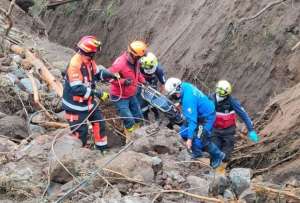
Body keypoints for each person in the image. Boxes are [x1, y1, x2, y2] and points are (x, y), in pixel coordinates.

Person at [62, 35, 117, 152]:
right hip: (75, 107)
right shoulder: (74, 65)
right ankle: (79, 156)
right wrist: (97, 93)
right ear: (90, 52)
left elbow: (97, 73)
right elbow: (77, 89)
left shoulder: (89, 61)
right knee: (80, 133)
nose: (96, 53)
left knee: (99, 123)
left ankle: (102, 150)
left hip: (89, 104)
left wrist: (109, 75)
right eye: (95, 52)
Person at [164, 78, 225, 169]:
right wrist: (181, 103)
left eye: (174, 95)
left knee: (199, 139)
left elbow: (192, 122)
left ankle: (217, 155)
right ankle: (197, 148)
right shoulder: (184, 85)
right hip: (199, 114)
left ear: (177, 90)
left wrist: (189, 139)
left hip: (206, 118)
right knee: (182, 132)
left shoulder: (188, 100)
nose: (174, 97)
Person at [211, 80, 259, 162]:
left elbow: (244, 115)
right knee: (214, 152)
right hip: (215, 130)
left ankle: (221, 171)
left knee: (226, 155)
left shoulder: (232, 101)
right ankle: (212, 171)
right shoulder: (210, 99)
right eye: (218, 91)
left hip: (228, 131)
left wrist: (251, 130)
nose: (219, 95)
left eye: (222, 92)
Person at [108, 40, 147, 141]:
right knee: (128, 120)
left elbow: (137, 73)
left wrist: (143, 81)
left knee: (138, 116)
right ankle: (130, 140)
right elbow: (109, 78)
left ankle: (139, 136)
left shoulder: (136, 62)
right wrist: (123, 81)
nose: (140, 59)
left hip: (131, 94)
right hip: (120, 96)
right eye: (139, 57)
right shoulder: (120, 64)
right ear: (133, 54)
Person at [138, 52, 166, 121]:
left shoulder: (159, 70)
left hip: (152, 81)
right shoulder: (139, 66)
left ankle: (157, 115)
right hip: (140, 80)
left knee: (152, 98)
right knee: (141, 100)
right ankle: (145, 118)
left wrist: (160, 94)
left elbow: (163, 84)